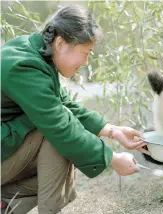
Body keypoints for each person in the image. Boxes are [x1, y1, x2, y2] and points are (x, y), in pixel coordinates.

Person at [1, 4, 150, 214]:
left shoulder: (37, 53)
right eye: (85, 53)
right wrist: (112, 159)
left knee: (66, 144)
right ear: (61, 43)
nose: (87, 62)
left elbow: (64, 104)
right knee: (58, 136)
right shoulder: (24, 66)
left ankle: (5, 204)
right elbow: (60, 124)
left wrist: (113, 131)